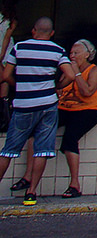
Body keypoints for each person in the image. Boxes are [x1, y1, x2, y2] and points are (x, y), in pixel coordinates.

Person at [0, 17, 76, 206]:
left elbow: (5, 75)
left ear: (34, 31)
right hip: (47, 105)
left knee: (8, 151)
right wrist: (57, 86)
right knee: (41, 151)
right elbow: (71, 75)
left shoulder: (19, 48)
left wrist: (18, 87)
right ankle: (31, 194)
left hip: (23, 105)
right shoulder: (57, 50)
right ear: (51, 33)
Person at [0, 0, 18, 119]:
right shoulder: (13, 20)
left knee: (4, 79)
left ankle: (4, 114)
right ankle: (4, 114)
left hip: (4, 53)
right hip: (6, 53)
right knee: (5, 80)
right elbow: (6, 38)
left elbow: (6, 38)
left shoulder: (11, 20)